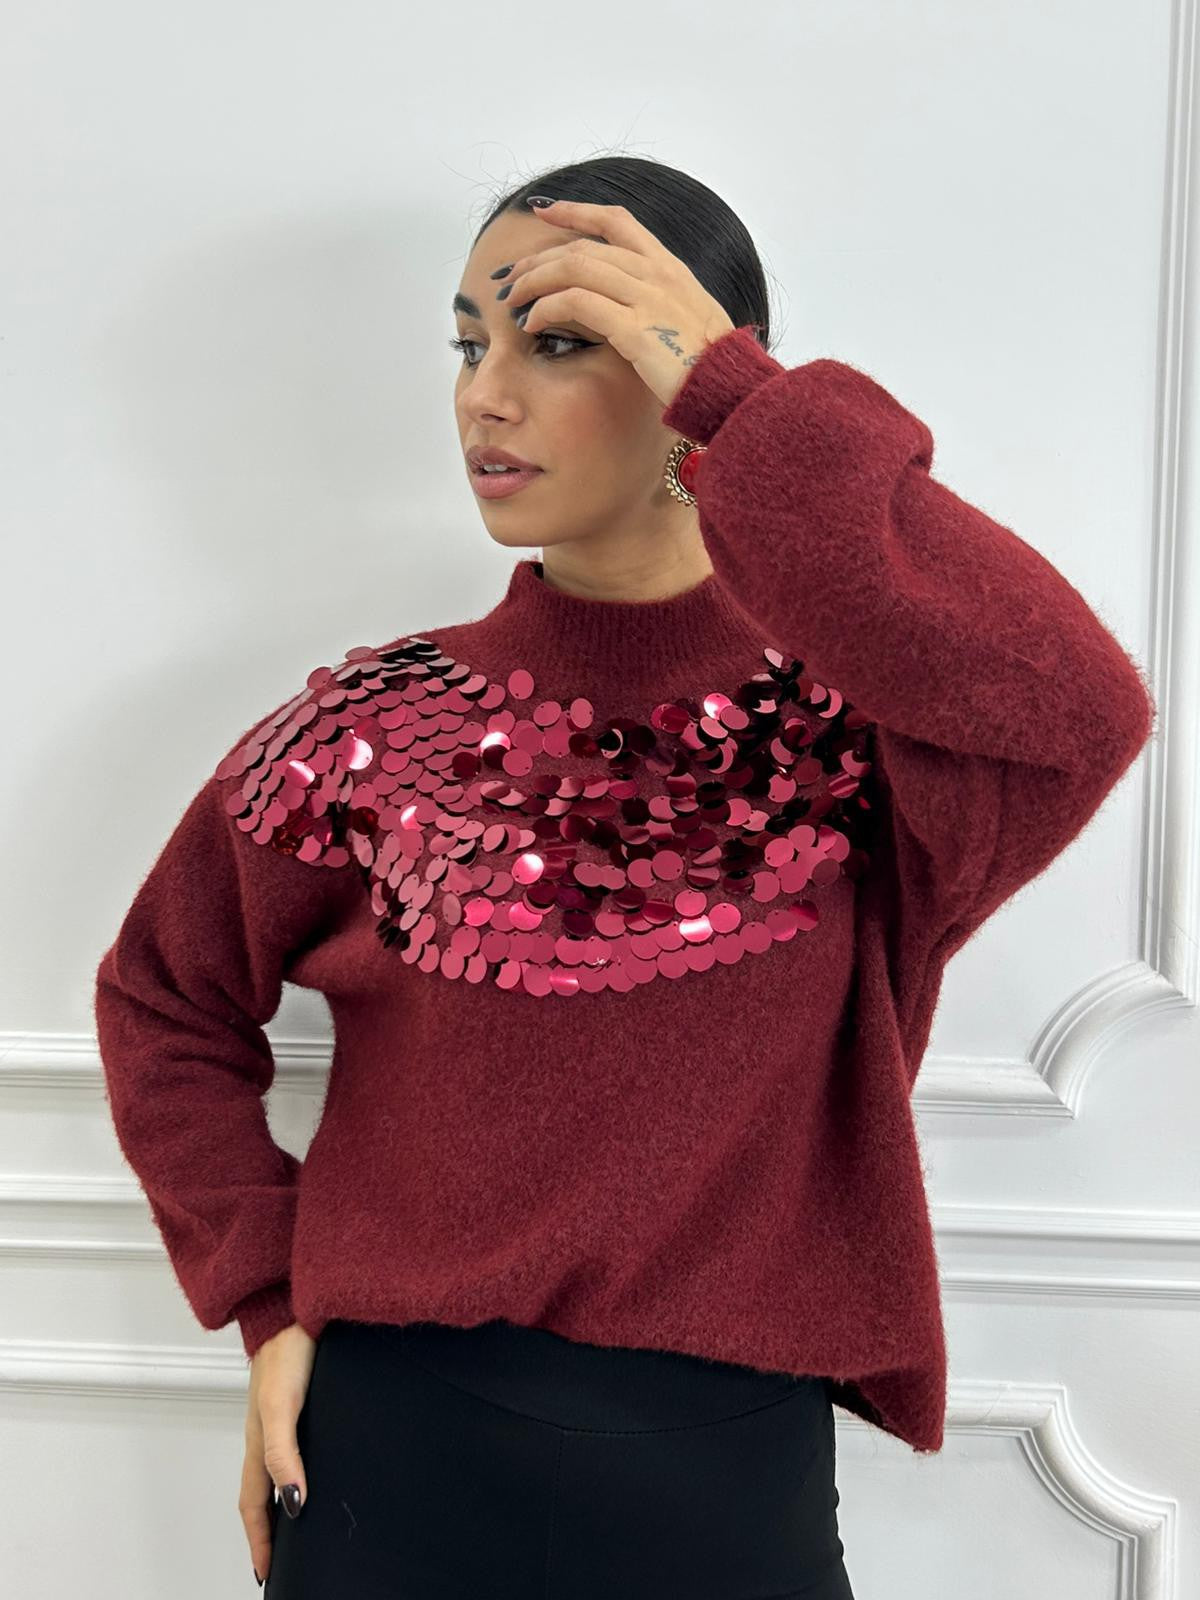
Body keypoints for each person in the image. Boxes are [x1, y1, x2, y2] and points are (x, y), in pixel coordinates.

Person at [93, 155, 1156, 1598]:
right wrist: (266, 1296)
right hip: (388, 1474)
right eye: (468, 343)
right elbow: (161, 1000)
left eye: (558, 341)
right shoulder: (371, 731)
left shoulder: (863, 745)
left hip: (726, 1497)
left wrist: (746, 402)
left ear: (687, 376)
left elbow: (1081, 708)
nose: (483, 396)